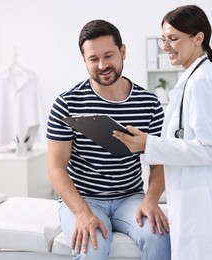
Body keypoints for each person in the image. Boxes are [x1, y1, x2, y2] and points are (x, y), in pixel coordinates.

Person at [113, 5, 212, 260]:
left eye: (173, 39)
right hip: (197, 202)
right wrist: (149, 143)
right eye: (164, 39)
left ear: (198, 38)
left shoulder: (203, 81)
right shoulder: (195, 77)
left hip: (207, 208)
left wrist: (149, 144)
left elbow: (209, 149)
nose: (166, 46)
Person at [46, 19, 171, 260]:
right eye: (93, 59)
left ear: (123, 51)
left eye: (109, 55)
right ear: (84, 60)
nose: (102, 65)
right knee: (92, 248)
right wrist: (83, 214)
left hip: (130, 197)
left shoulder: (149, 103)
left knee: (159, 238)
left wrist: (151, 200)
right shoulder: (67, 103)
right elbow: (55, 168)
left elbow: (159, 162)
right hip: (84, 198)